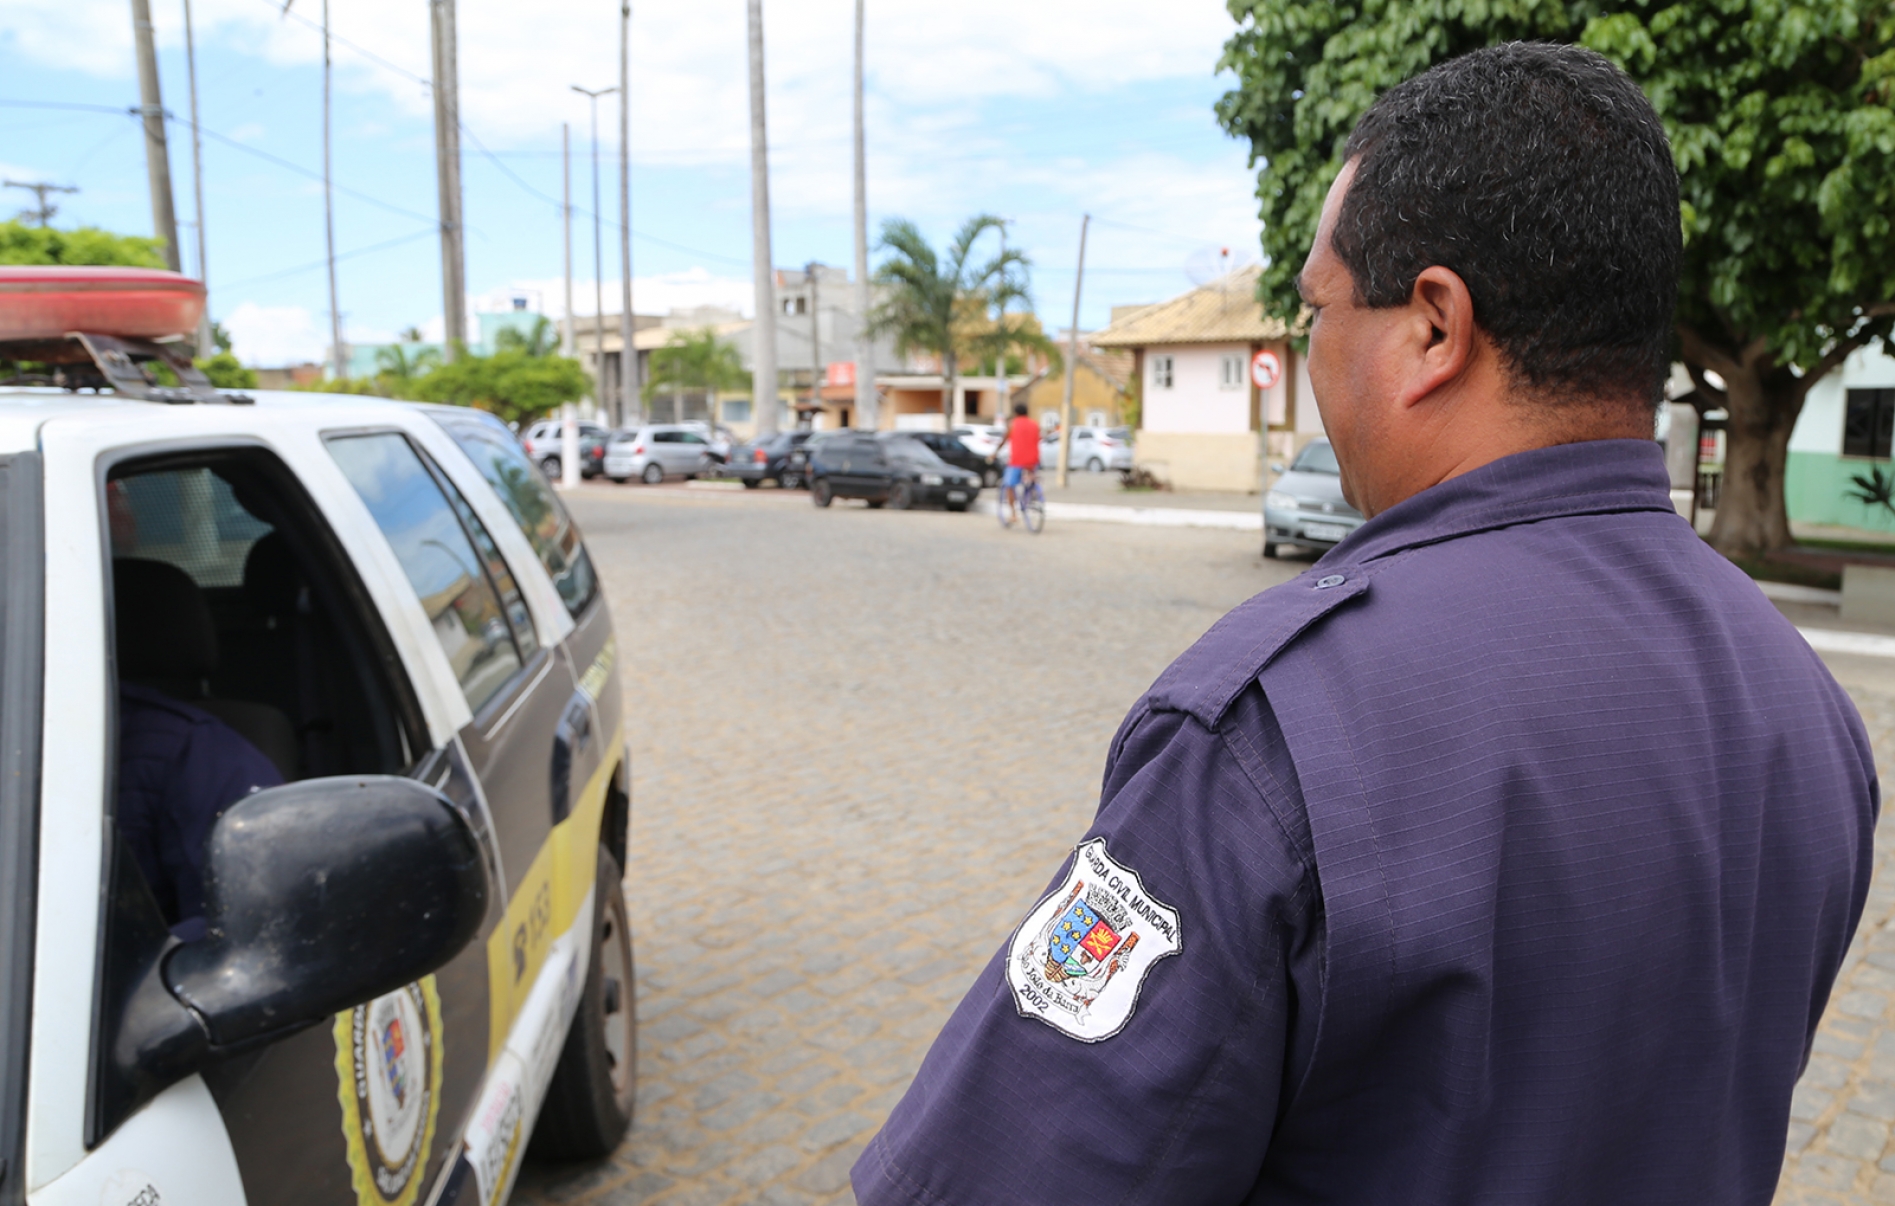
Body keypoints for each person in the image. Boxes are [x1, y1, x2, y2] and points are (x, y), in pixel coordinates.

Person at [853, 43, 1876, 1205]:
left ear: (1434, 327)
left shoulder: (1275, 733)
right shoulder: (1803, 708)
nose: (1310, 354)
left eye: (1317, 311)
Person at [999, 402, 1041, 525]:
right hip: (1033, 461)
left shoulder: (1012, 424)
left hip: (1017, 461)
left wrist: (994, 453)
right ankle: (1033, 495)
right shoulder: (1035, 425)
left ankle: (1013, 514)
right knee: (1031, 479)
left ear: (1016, 413)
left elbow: (1004, 440)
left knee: (1009, 485)